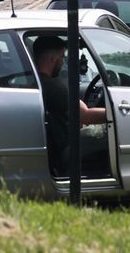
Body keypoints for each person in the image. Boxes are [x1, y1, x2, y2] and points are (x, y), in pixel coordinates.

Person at [32, 35, 106, 173]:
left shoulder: (34, 82)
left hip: (54, 146)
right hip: (67, 148)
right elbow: (86, 116)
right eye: (62, 57)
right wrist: (115, 113)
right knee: (107, 133)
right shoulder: (54, 87)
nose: (62, 62)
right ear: (53, 59)